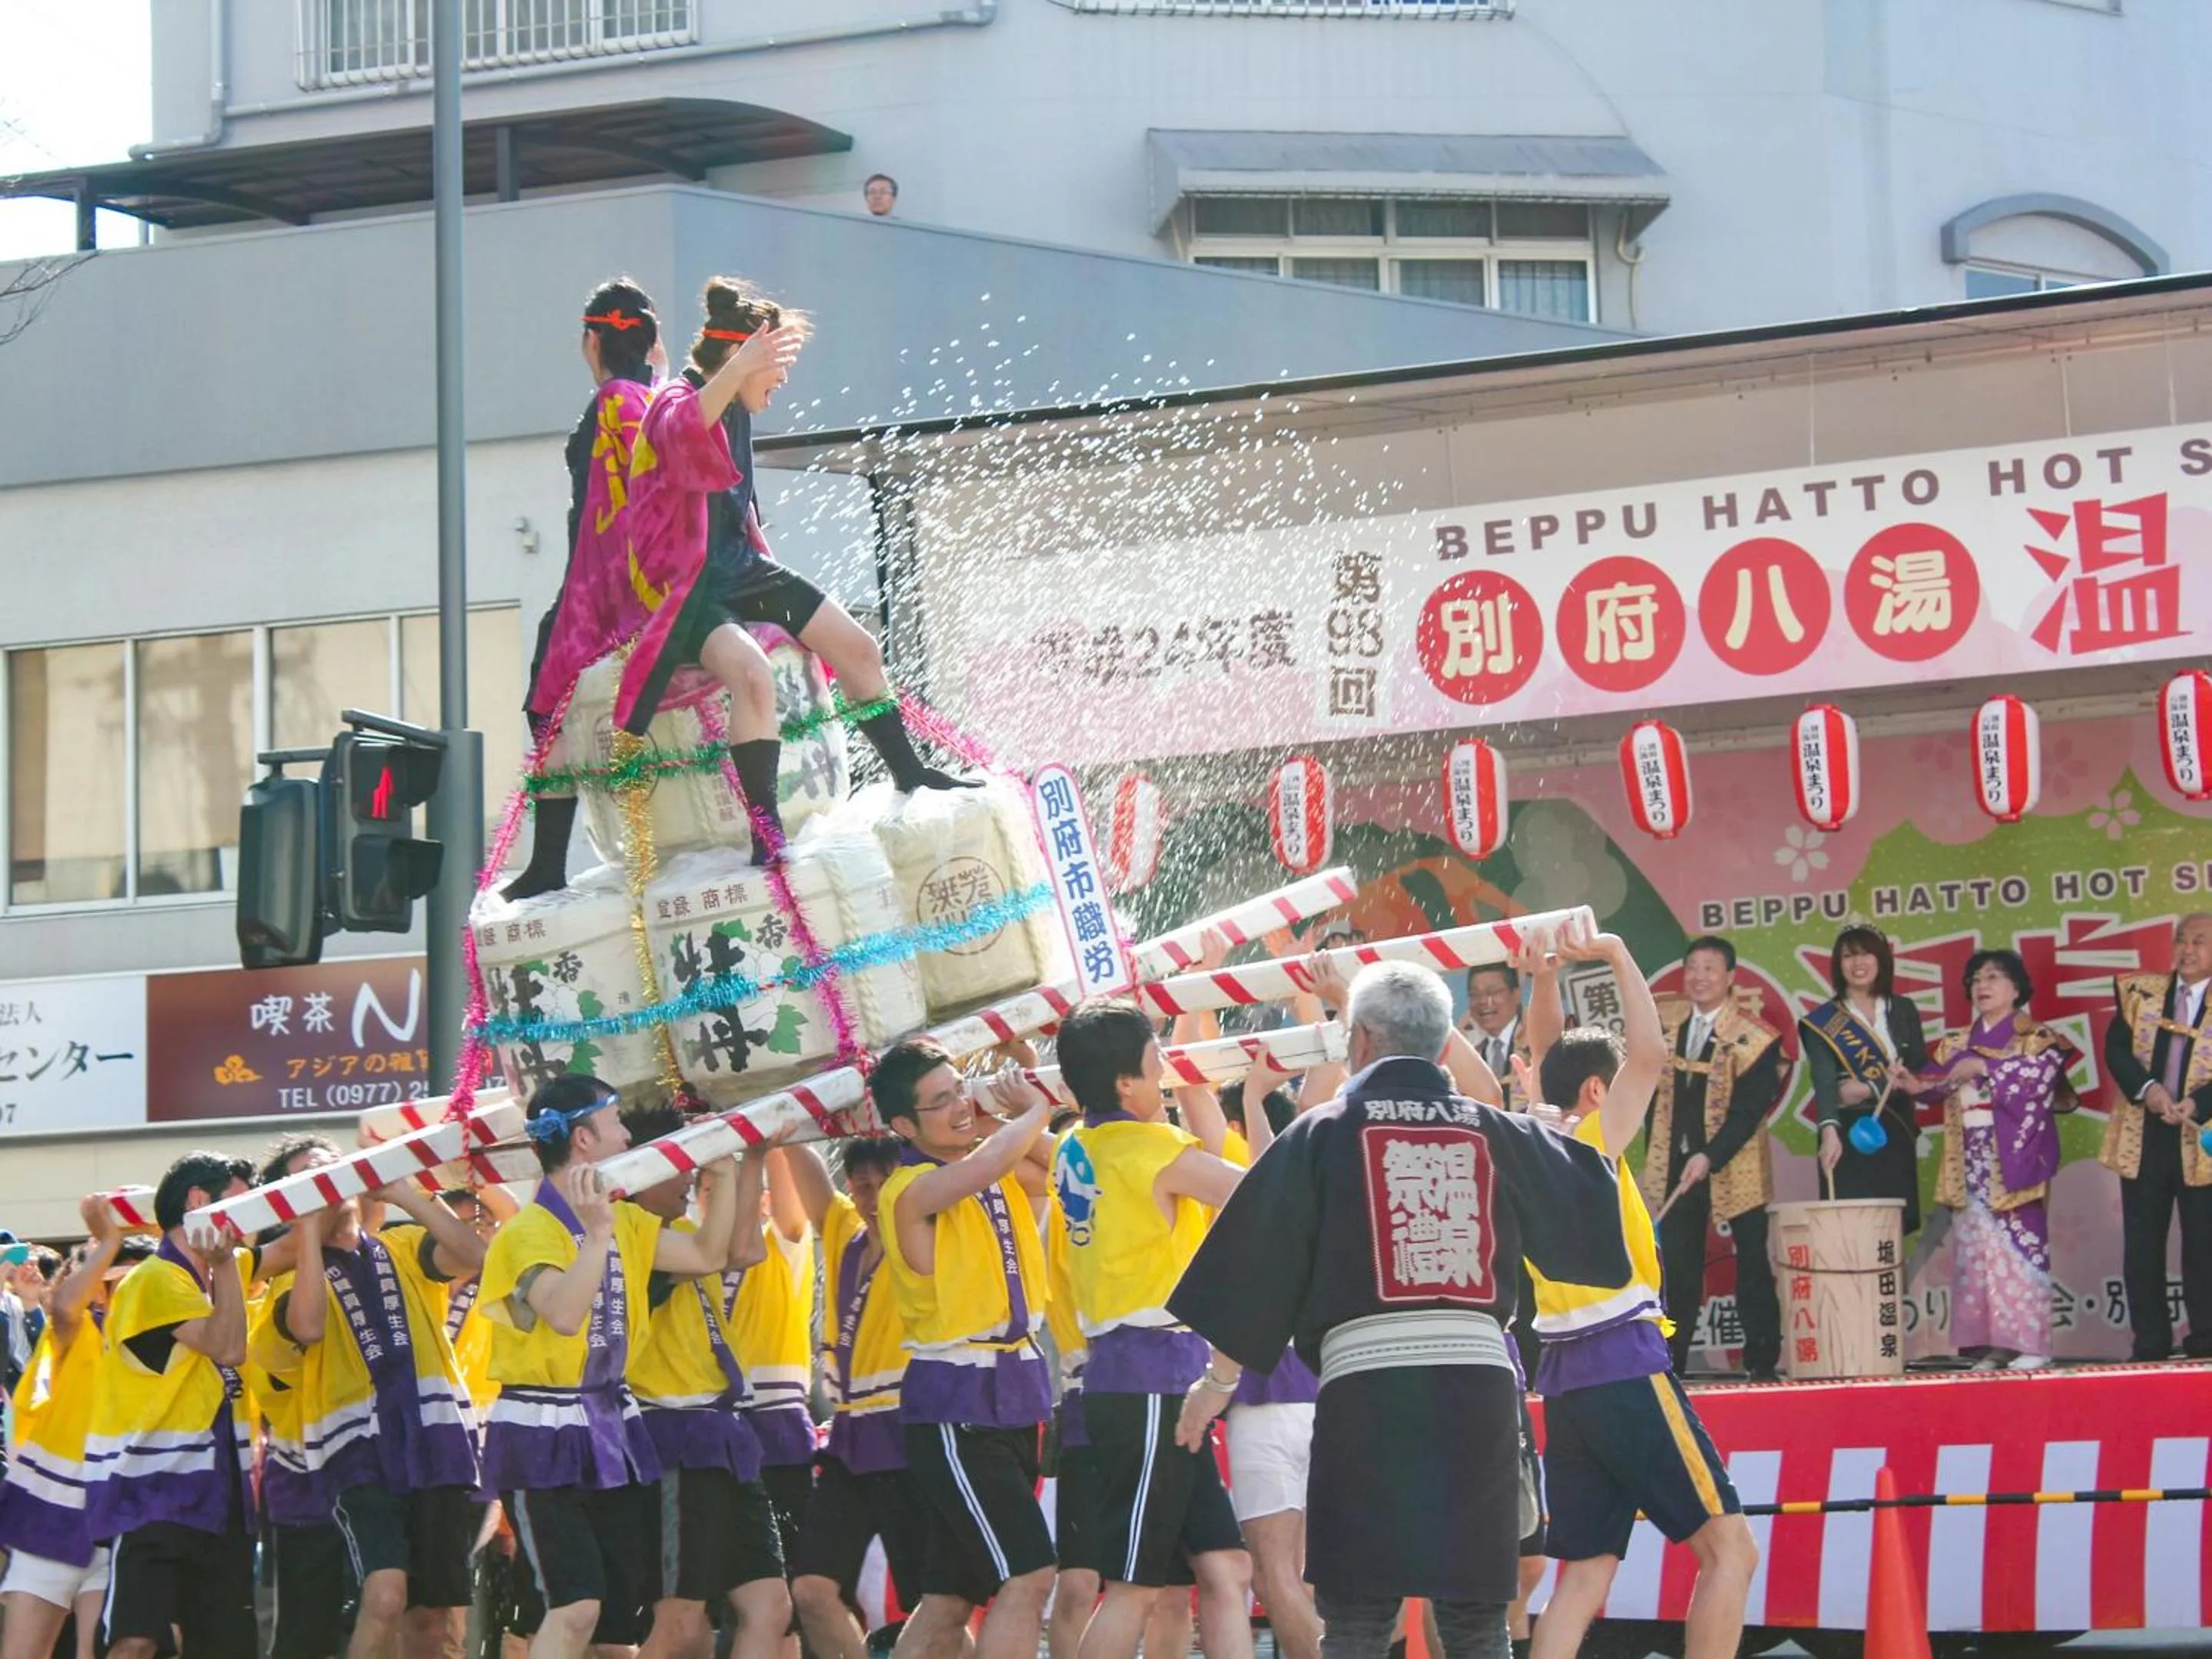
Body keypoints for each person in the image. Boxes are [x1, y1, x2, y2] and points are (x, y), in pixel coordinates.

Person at [1168, 962, 1633, 1659]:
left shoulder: (1320, 1134)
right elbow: (1596, 1226)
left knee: (1355, 1619)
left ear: (1357, 1042)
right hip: (1477, 1390)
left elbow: (1253, 1271)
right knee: (1477, 1619)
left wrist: (1216, 1385)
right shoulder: (1496, 1130)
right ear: (1445, 1047)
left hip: (1367, 1392)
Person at [639, 276, 978, 861]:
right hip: (689, 591)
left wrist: (744, 367)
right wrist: (738, 364)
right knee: (752, 675)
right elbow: (681, 429)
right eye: (775, 364)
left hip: (741, 569)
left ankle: (911, 773)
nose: (783, 380)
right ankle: (766, 836)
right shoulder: (682, 399)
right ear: (738, 358)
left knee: (860, 648)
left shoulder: (738, 401)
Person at [1508, 922, 1758, 1659]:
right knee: (1730, 1552)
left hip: (1565, 1382)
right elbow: (1649, 1055)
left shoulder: (1531, 1139)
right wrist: (1619, 953)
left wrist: (1545, 980)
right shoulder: (1588, 1142)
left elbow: (1551, 1059)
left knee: (1582, 1575)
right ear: (1597, 1091)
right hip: (1622, 1366)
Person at [475, 1075, 742, 1659]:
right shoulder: (525, 1233)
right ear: (583, 1139)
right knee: (574, 1609)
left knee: (619, 1628)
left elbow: (706, 1255)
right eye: (617, 1121)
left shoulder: (627, 1222)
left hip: (610, 1427)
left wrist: (722, 1180)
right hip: (543, 1431)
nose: (627, 1134)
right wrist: (597, 1234)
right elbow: (566, 1315)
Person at [1048, 998, 1251, 1659]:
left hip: (1145, 1375)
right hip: (1149, 1380)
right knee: (1134, 1587)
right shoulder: (1146, 1146)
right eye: (1154, 1059)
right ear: (1124, 1084)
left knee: (1226, 1570)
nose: (1165, 1068)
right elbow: (1252, 1192)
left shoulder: (1077, 1146)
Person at [253, 1138, 491, 1659]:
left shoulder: (403, 1245)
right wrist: (308, 1234)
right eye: (308, 1180)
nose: (327, 1183)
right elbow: (308, 1327)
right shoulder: (283, 1284)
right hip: (352, 1459)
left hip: (435, 1447)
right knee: (384, 1595)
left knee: (432, 1620)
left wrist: (405, 1193)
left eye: (331, 1169)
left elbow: (478, 1258)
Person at [870, 1038, 1057, 1659]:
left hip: (1013, 1396)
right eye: (941, 1101)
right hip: (958, 1407)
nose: (959, 1108)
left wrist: (1010, 1112)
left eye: (960, 1090)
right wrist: (1034, 1109)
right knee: (1029, 1576)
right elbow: (982, 1169)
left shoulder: (991, 1160)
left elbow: (1065, 1168)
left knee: (950, 1601)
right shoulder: (907, 1187)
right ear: (902, 1125)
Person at [506, 277, 667, 899]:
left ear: (592, 339)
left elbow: (612, 508)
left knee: (547, 709)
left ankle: (549, 862)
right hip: (648, 577)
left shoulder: (611, 404)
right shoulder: (657, 399)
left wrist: (595, 603)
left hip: (599, 583)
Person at [618, 1102, 793, 1659]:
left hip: (721, 1434)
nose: (688, 1174)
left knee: (771, 1606)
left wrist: (755, 1155)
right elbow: (721, 1252)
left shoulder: (690, 1233)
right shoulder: (632, 1241)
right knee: (680, 1625)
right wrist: (724, 1160)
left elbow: (745, 1249)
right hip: (672, 1435)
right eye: (679, 1162)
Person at [82, 1149, 258, 1659]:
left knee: (218, 1644)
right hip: (151, 1493)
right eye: (240, 1206)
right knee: (136, 1640)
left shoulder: (209, 1275)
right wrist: (226, 1266)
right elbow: (229, 1347)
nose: (248, 1223)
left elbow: (285, 1250)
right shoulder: (154, 1277)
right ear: (199, 1202)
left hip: (217, 1496)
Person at [779, 1138, 933, 1659]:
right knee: (811, 1591)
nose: (872, 1196)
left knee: (935, 1605)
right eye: (862, 1184)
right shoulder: (844, 1230)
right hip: (849, 1435)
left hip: (909, 1428)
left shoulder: (923, 1232)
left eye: (884, 1181)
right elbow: (796, 1151)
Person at [1898, 949, 2078, 1370]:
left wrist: (1984, 1068)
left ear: (2017, 989)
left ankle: (2034, 1342)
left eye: (1994, 977)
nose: (1983, 986)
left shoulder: (2037, 1037)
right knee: (1977, 1250)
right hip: (1970, 1154)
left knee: (2020, 1246)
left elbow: (2039, 1081)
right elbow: (1936, 1085)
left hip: (2012, 1154)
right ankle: (1994, 1345)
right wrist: (1913, 1084)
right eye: (1977, 979)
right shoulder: (1957, 1041)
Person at [0, 1200, 151, 1659]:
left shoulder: (170, 1339)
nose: (119, 1294)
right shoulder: (75, 1328)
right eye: (111, 1281)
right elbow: (64, 1308)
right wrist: (108, 1243)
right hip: (50, 1519)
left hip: (120, 1531)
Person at [1641, 936, 1787, 1379]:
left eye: (1710, 969)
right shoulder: (1665, 1023)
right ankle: (1671, 1364)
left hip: (1734, 1164)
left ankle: (1762, 1364)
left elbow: (1749, 1111)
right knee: (1679, 1269)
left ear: (1730, 978)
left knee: (1752, 1266)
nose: (1699, 977)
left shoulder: (1755, 1036)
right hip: (1676, 1164)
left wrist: (1710, 1155)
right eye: (1692, 968)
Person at [2101, 912, 2212, 1359]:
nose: (2187, 950)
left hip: (2200, 1139)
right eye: (2181, 940)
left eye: (2200, 942)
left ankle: (2205, 1340)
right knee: (2143, 1245)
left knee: (2204, 1244)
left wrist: (2198, 1104)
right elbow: (2116, 1049)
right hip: (2144, 1136)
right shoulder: (2140, 992)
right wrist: (2147, 1089)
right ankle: (2150, 1343)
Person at [1803, 926, 1930, 1231]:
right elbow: (1824, 1080)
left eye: (1865, 954)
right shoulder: (1823, 1021)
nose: (1857, 964)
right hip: (1846, 1133)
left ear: (1881, 959)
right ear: (1838, 964)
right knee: (1851, 1226)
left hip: (1894, 1126)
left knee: (1893, 1226)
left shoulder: (1903, 1010)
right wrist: (1829, 1132)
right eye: (1848, 956)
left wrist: (1869, 1087)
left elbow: (1917, 1068)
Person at [729, 1145, 819, 1580]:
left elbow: (791, 1211)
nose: (724, 1200)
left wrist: (770, 1136)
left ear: (763, 1201)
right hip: (718, 1429)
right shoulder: (691, 1255)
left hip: (778, 1424)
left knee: (795, 1573)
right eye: (710, 1190)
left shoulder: (780, 1245)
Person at [1460, 963, 1528, 1108]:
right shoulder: (1463, 1047)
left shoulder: (1537, 1038)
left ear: (1516, 994)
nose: (1484, 1001)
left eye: (1494, 992)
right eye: (1475, 995)